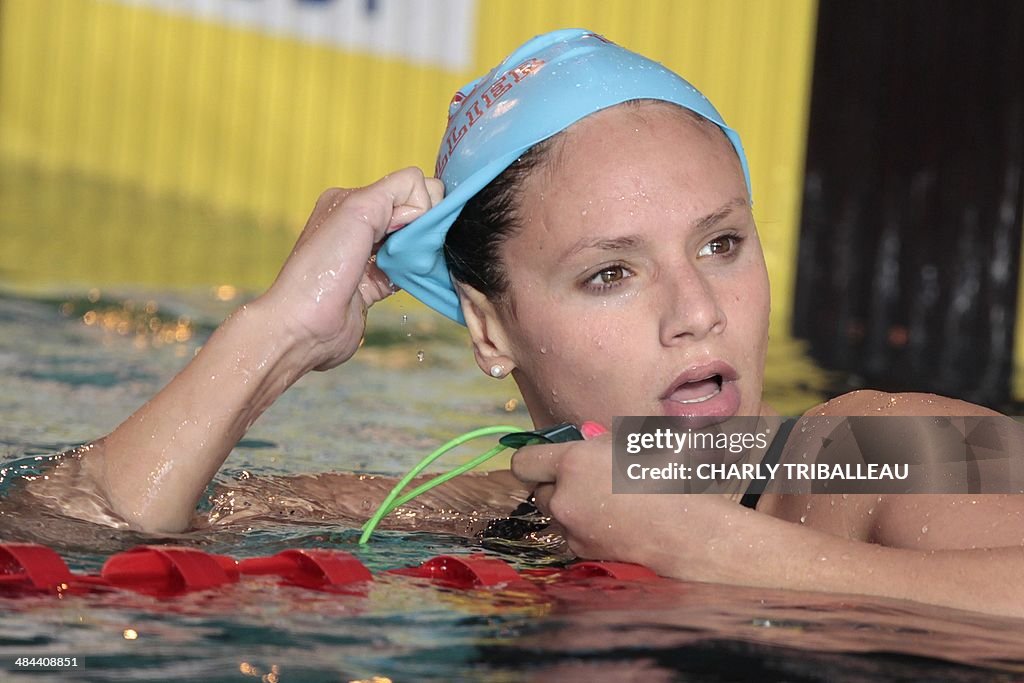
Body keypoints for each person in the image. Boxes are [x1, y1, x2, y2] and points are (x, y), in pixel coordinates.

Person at [13, 29, 1024, 616]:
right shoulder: (475, 512)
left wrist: (710, 549)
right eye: (610, 272)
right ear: (489, 331)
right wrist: (276, 335)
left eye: (720, 243)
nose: (699, 312)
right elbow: (71, 529)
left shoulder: (856, 453)